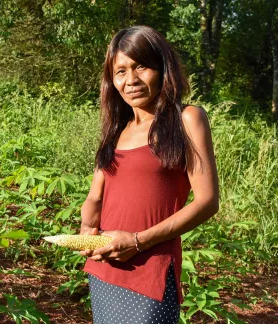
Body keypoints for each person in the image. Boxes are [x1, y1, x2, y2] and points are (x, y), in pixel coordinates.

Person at [80, 25, 219, 324]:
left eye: (141, 66)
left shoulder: (187, 119)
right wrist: (85, 232)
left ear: (162, 67)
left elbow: (207, 201)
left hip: (150, 271)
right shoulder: (116, 130)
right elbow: (95, 197)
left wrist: (138, 241)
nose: (131, 80)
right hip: (105, 268)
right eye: (120, 71)